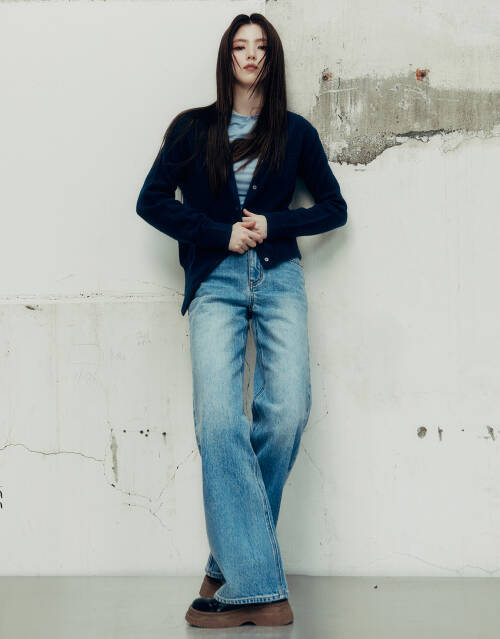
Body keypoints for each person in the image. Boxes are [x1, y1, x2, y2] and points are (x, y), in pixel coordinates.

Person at [136, 13, 348, 628]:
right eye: (239, 46)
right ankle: (260, 593)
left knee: (286, 414)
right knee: (219, 420)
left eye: (260, 47)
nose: (250, 55)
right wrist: (216, 233)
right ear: (227, 57)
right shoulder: (193, 128)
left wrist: (274, 223)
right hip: (216, 280)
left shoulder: (295, 133)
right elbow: (151, 201)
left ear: (271, 58)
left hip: (279, 277)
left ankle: (227, 565)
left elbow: (334, 208)